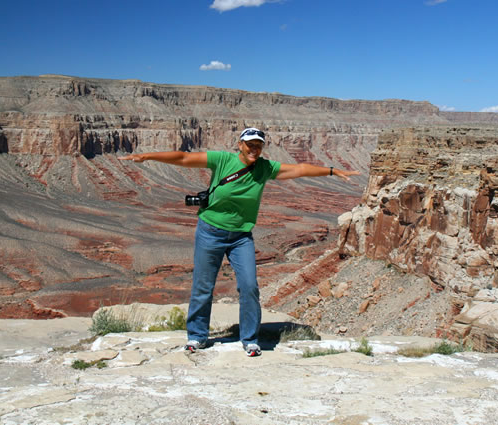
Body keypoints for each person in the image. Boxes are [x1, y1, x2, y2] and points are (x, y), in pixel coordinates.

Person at [120, 127, 359, 357]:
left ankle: (250, 339)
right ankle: (197, 335)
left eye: (258, 145)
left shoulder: (265, 168)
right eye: (250, 144)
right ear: (240, 145)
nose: (254, 149)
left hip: (241, 237)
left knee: (249, 287)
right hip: (210, 231)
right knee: (203, 286)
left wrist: (332, 171)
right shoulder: (223, 160)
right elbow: (183, 158)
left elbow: (300, 169)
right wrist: (146, 156)